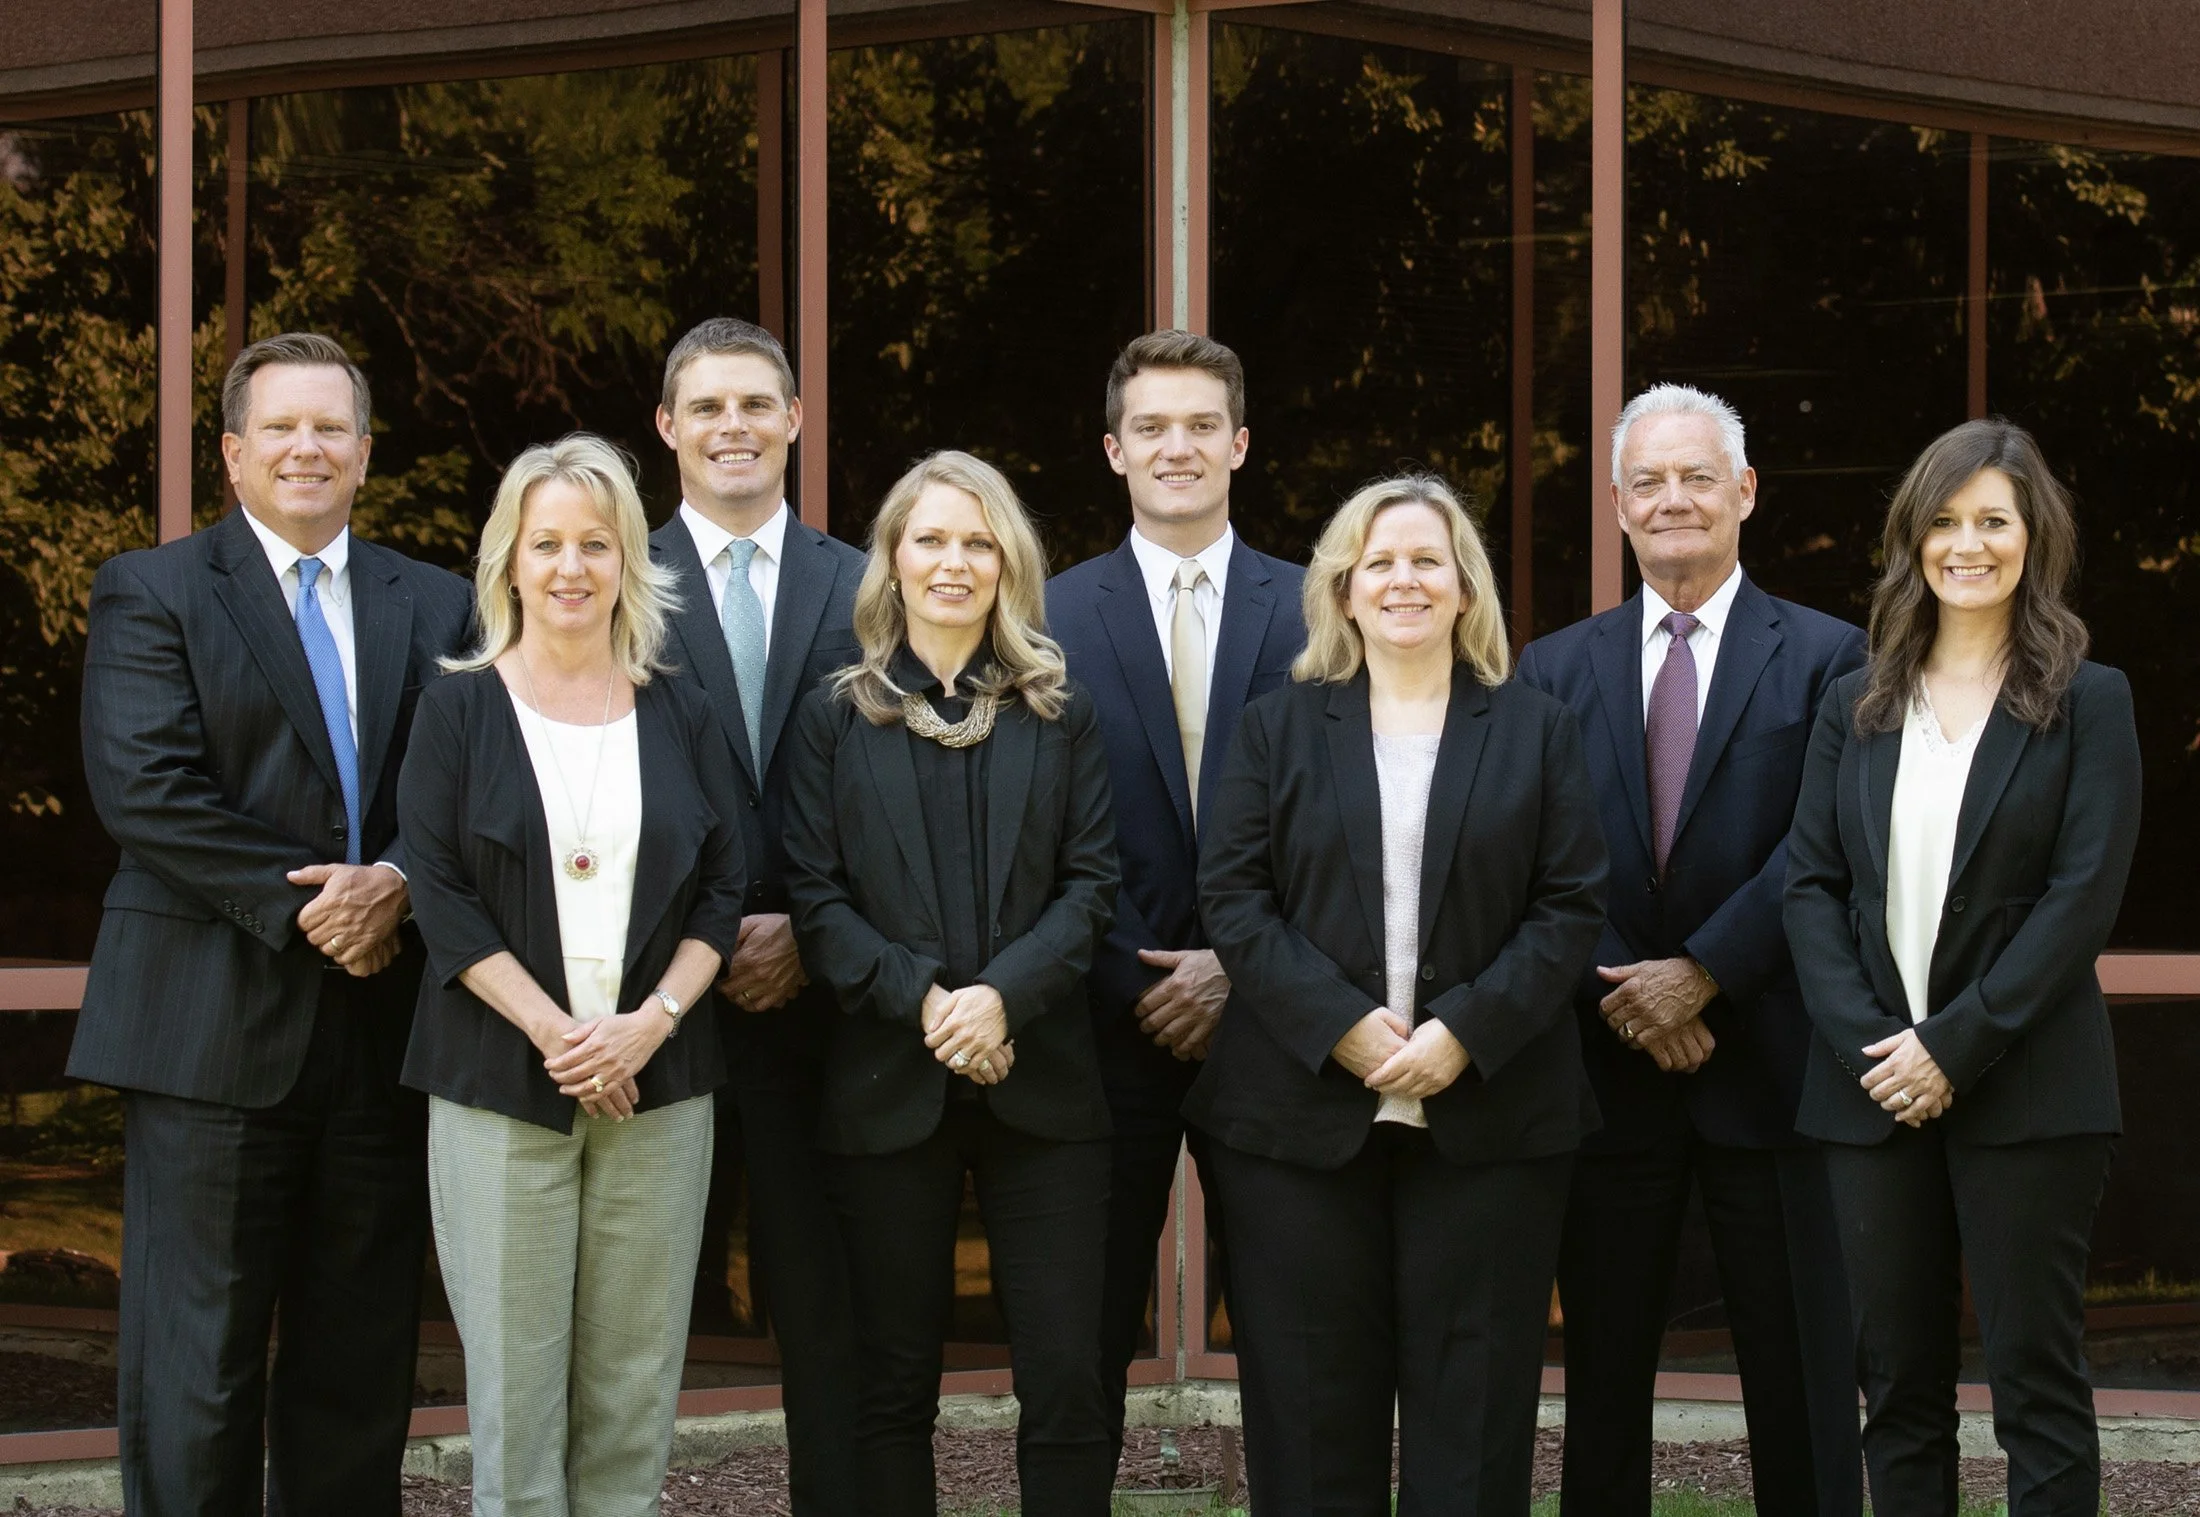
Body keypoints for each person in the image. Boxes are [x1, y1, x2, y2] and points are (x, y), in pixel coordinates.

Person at [70, 332, 472, 1515]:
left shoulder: (437, 598)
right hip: (206, 1028)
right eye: (281, 428)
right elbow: (147, 786)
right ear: (235, 454)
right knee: (197, 1371)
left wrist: (397, 874)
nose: (308, 447)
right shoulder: (152, 588)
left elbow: (456, 789)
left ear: (362, 453)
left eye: (330, 427)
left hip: (379, 1034)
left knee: (357, 1369)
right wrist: (329, 902)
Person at [1188, 474, 1608, 1515]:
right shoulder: (1273, 728)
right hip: (1296, 1122)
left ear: (1465, 586)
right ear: (1341, 588)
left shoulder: (1538, 729)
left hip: (1491, 1118)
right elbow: (1233, 900)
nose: (1404, 579)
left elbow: (1569, 905)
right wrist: (1339, 1026)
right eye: (1379, 561)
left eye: (1428, 558)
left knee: (1471, 1421)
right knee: (1311, 1416)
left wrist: (1463, 1030)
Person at [1516, 383, 1867, 1517]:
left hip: (1770, 1071)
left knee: (1800, 1376)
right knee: (1603, 1380)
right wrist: (1625, 987)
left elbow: (1823, 844)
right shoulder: (1550, 670)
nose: (1674, 499)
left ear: (1744, 492)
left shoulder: (1828, 658)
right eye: (1650, 481)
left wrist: (1703, 971)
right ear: (1617, 503)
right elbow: (1533, 855)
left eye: (1697, 475)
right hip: (1606, 1071)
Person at [1786, 418, 2140, 1517]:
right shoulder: (1860, 697)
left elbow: (2081, 900)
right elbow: (1807, 883)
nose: (1966, 543)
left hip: (2028, 1088)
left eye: (1992, 519)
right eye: (1943, 520)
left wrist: (1954, 1045)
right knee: (1893, 1388)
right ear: (1912, 537)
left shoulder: (2090, 700)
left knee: (2033, 1384)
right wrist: (1874, 1051)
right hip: (1870, 1092)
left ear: (2034, 537)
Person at [397, 433, 747, 1513]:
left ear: (628, 560)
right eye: (545, 542)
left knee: (633, 1386)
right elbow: (440, 893)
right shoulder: (456, 707)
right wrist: (561, 1033)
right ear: (509, 559)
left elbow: (723, 888)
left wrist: (650, 1022)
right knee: (515, 1392)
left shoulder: (681, 706)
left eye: (595, 543)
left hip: (659, 1085)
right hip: (503, 1084)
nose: (569, 566)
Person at [782, 450, 1120, 1516]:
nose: (953, 560)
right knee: (888, 1382)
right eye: (929, 537)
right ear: (890, 559)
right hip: (889, 1081)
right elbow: (815, 895)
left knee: (1066, 1377)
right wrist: (928, 1000)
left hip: (1046, 1086)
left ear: (1007, 560)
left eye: (977, 540)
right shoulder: (832, 715)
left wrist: (999, 1000)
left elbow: (1090, 885)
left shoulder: (1061, 711)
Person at [1045, 329, 1305, 1461]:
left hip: (1281, 1028)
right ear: (1113, 449)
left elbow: (1340, 824)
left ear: (1240, 443)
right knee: (1082, 1338)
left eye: (1202, 424)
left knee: (1298, 1340)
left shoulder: (1319, 609)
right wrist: (1137, 974)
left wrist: (1241, 968)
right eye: (1151, 426)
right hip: (1103, 1020)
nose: (1177, 446)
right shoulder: (1045, 617)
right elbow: (1034, 834)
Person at [647, 316, 867, 1514]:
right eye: (708, 407)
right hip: (645, 1006)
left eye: (756, 404)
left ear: (792, 421)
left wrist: (806, 929)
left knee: (825, 1311)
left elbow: (905, 788)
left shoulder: (866, 579)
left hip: (819, 1003)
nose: (733, 426)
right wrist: (704, 934)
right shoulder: (601, 574)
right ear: (670, 428)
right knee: (632, 1313)